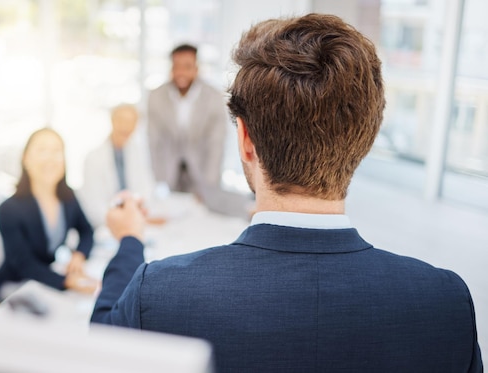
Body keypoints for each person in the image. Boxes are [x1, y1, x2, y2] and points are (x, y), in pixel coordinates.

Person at [90, 14, 483, 373]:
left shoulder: (159, 294)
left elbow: (96, 351)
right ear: (364, 138)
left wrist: (129, 242)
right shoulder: (445, 304)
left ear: (245, 139)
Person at [0, 128, 96, 301]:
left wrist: (79, 255)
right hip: (12, 288)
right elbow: (23, 264)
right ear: (26, 159)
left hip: (43, 283)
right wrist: (67, 281)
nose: (50, 157)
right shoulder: (9, 209)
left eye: (56, 151)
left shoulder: (68, 197)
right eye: (42, 150)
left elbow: (87, 231)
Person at [147, 43, 228, 199]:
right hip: (168, 175)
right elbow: (154, 141)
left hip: (202, 173)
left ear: (196, 69)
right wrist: (159, 181)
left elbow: (216, 143)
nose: (181, 72)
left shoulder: (214, 97)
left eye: (187, 66)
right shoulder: (156, 96)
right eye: (177, 66)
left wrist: (210, 184)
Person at [77, 104, 156, 227]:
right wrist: (120, 220)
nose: (126, 126)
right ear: (112, 121)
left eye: (131, 122)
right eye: (122, 120)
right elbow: (93, 203)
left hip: (135, 220)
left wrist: (135, 213)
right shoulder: (93, 158)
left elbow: (146, 188)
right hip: (105, 225)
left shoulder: (139, 153)